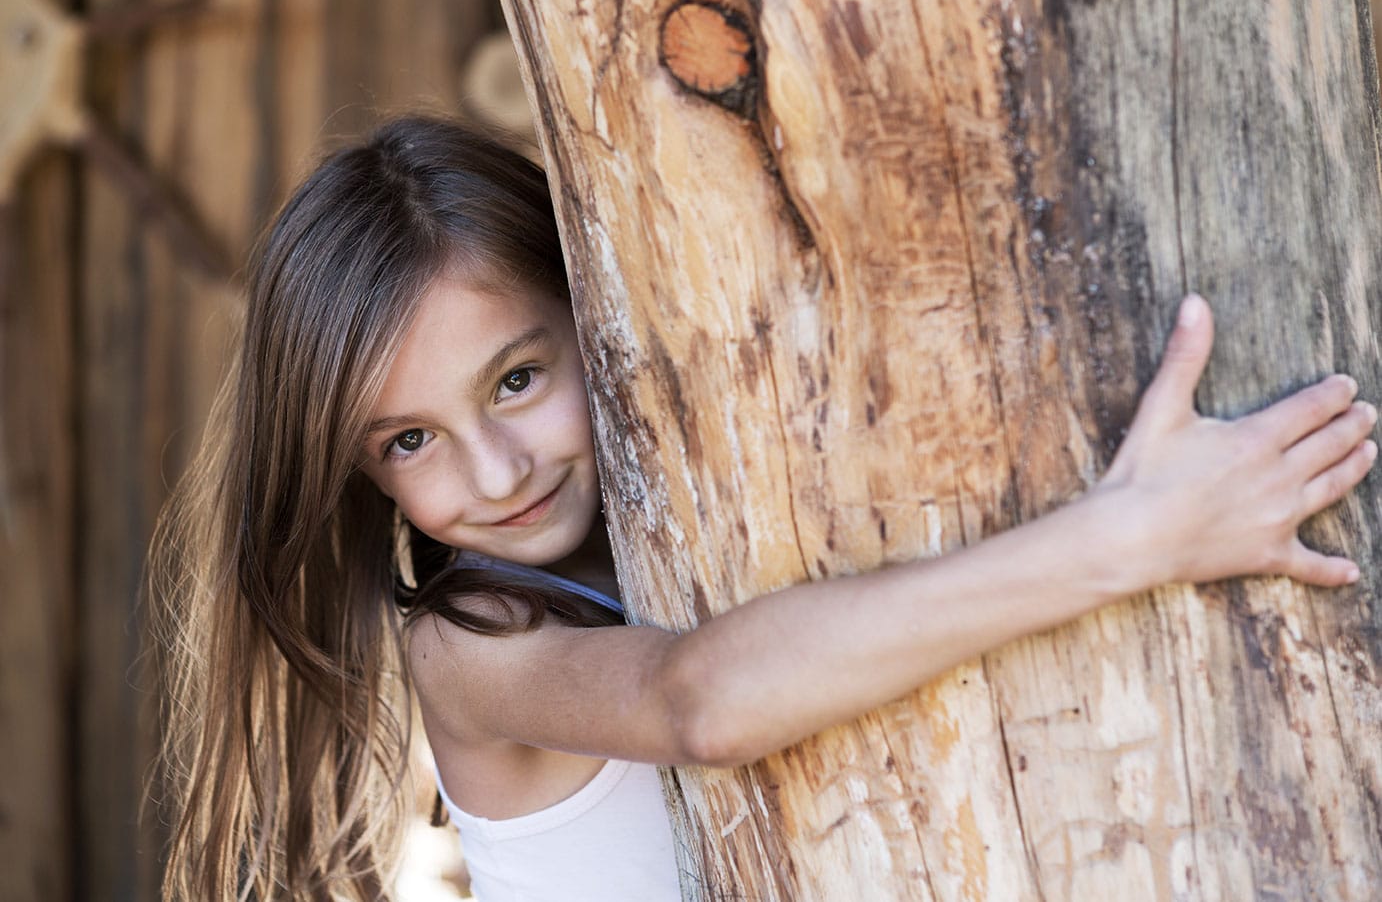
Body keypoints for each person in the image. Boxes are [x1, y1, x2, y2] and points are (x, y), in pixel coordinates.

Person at [149, 114, 1378, 902]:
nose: (492, 472)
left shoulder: (678, 537)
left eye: (517, 380)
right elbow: (701, 699)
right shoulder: (468, 640)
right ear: (361, 473)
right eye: (410, 439)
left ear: (597, 321)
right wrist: (1134, 534)